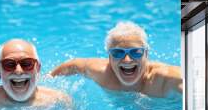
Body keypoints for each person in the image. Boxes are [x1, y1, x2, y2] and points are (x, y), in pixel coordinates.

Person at [50, 21, 182, 98]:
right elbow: (74, 64)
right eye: (118, 53)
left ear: (146, 54)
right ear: (109, 57)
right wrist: (48, 78)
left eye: (136, 52)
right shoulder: (102, 72)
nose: (127, 59)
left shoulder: (166, 80)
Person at [0, 39, 70, 107]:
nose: (18, 71)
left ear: (38, 68)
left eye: (26, 63)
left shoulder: (59, 101)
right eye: (9, 64)